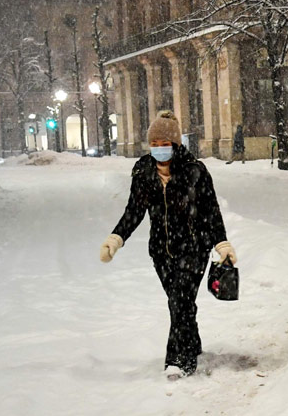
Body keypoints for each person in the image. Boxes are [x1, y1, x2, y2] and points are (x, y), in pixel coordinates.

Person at [100, 110, 237, 378]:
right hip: (161, 252)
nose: (160, 150)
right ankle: (193, 344)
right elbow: (134, 211)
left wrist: (222, 244)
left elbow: (211, 211)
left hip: (194, 248)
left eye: (165, 145)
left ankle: (178, 360)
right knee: (180, 303)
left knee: (180, 302)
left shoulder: (195, 171)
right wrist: (116, 238)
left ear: (175, 145)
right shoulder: (143, 172)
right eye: (155, 145)